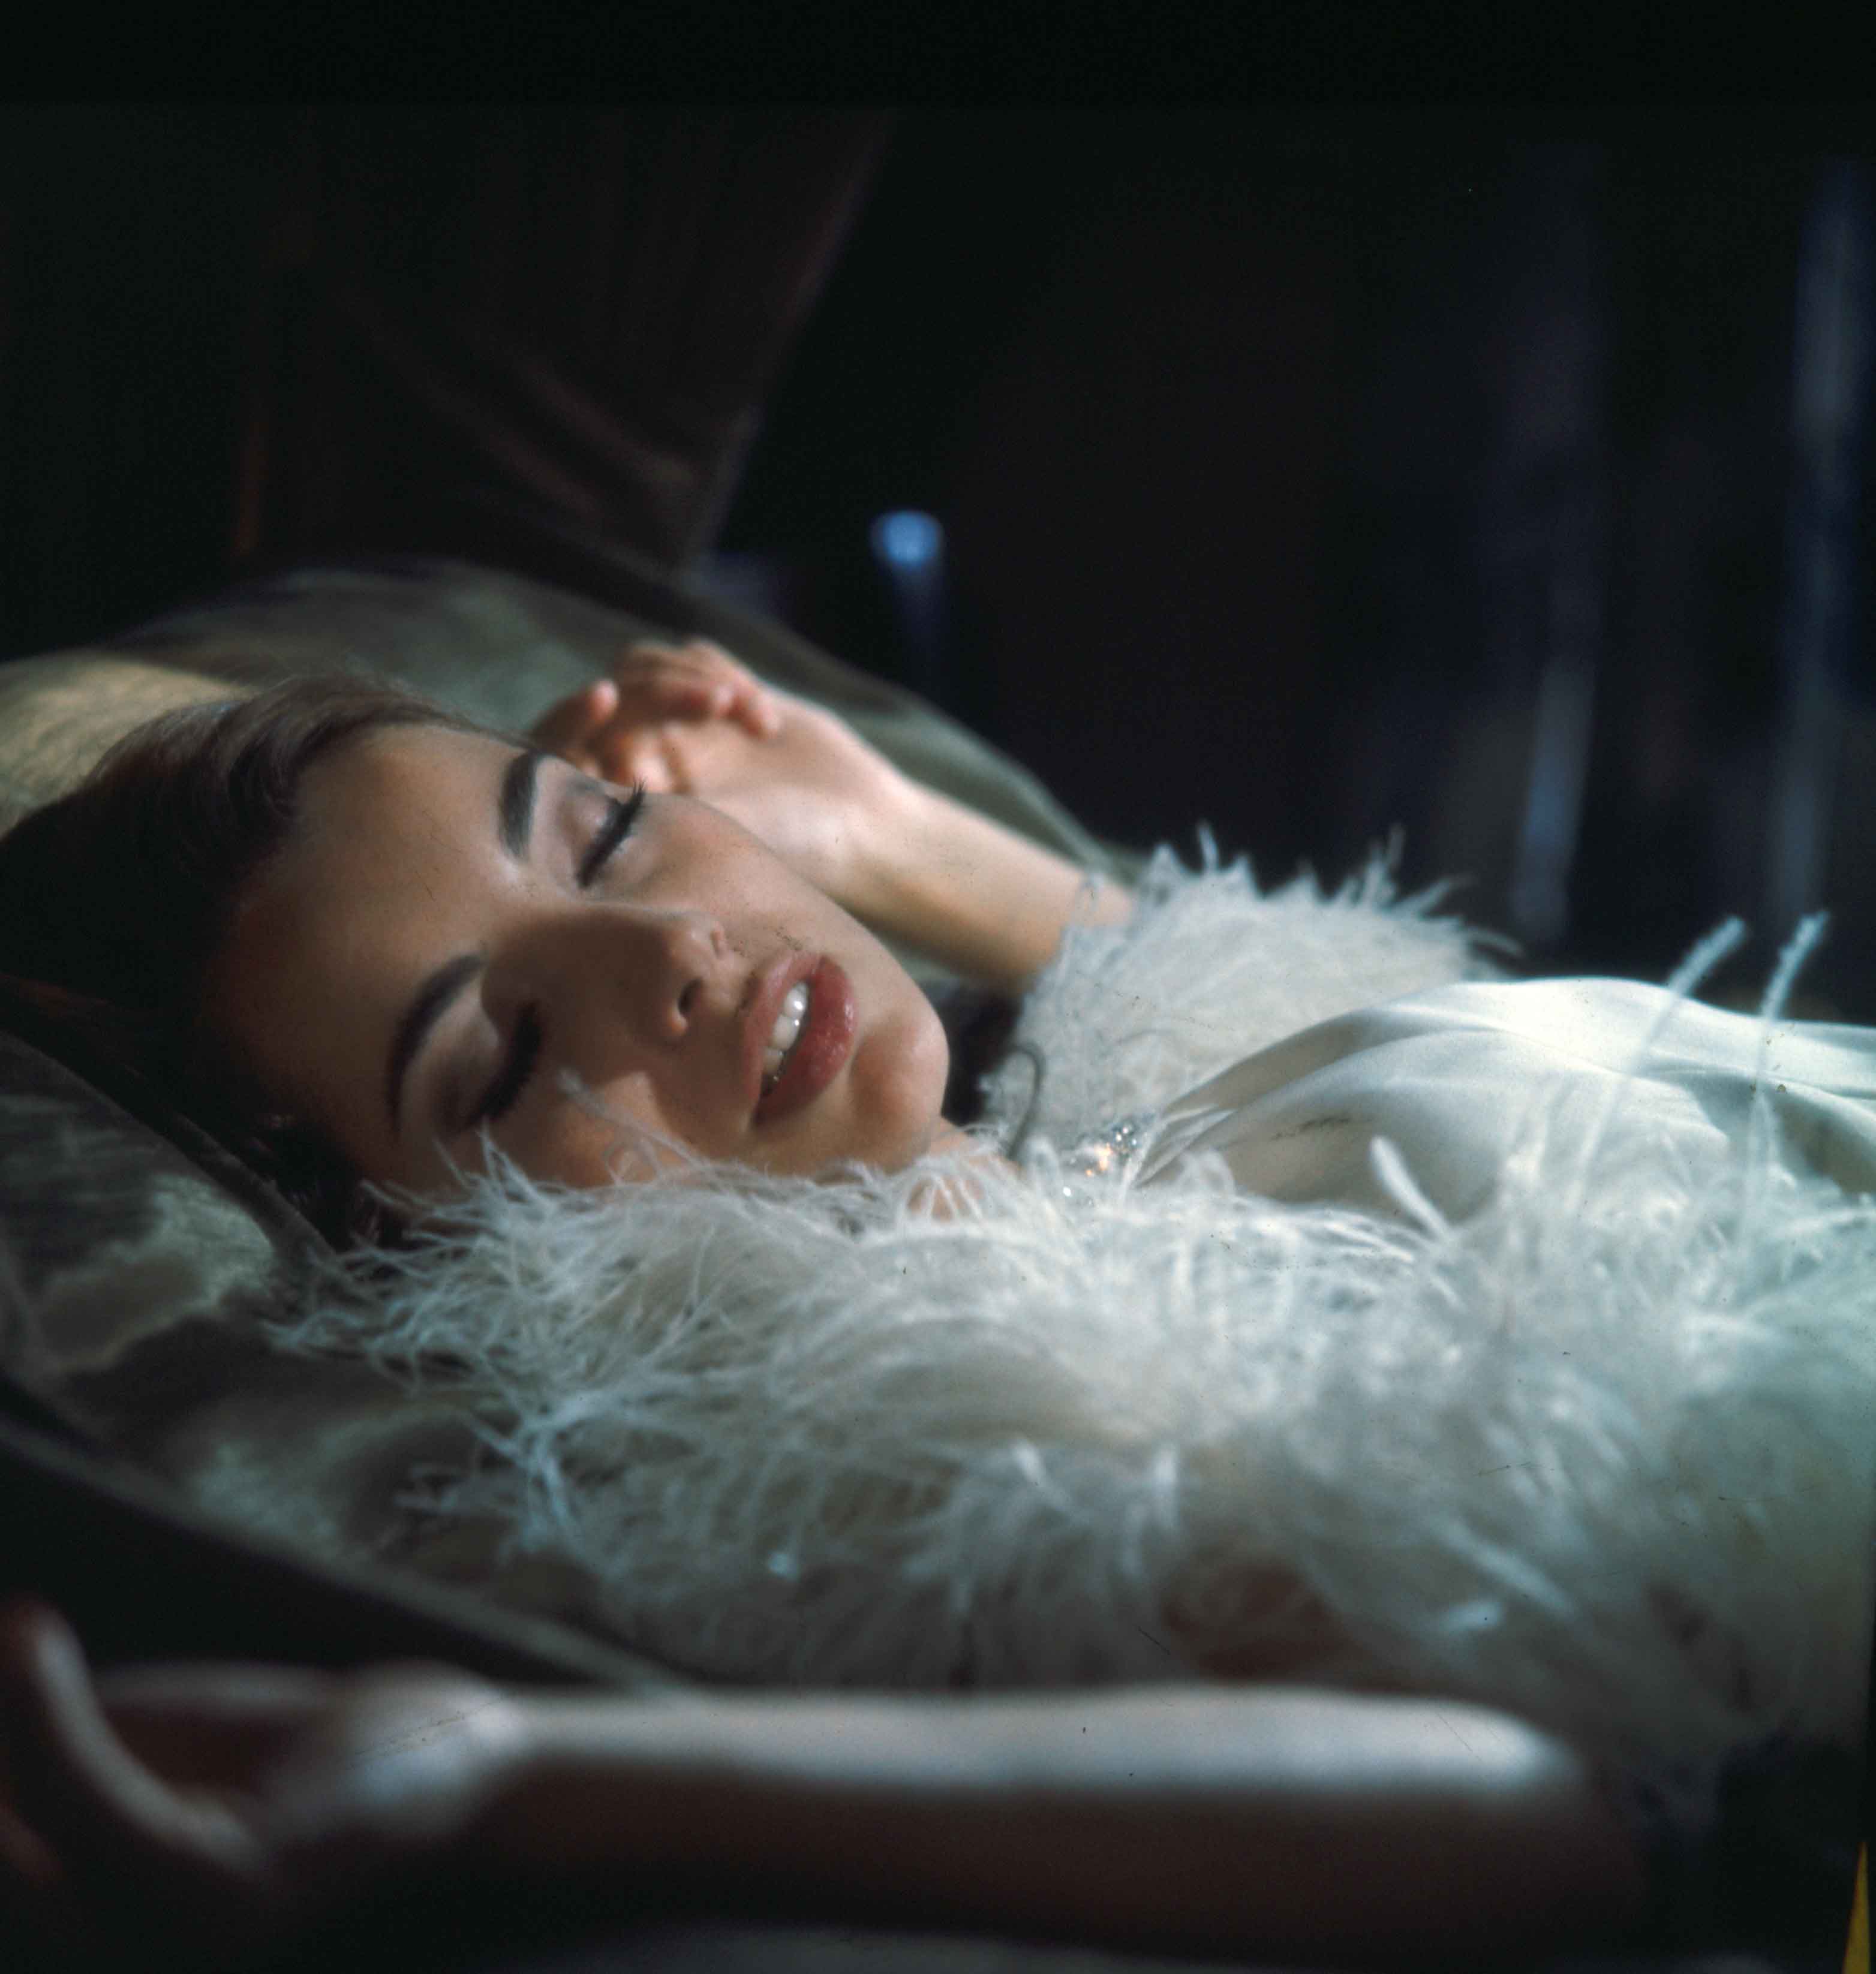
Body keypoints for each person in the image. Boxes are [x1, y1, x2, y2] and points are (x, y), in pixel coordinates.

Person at [0, 637, 1867, 1965]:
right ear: (436, 1255)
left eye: (603, 837)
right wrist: (515, 1773)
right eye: (499, 1058)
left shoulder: (1124, 1106)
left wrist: (896, 835)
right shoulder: (953, 1453)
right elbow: (1549, 1804)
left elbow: (1288, 984)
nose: (673, 952)